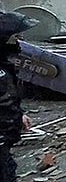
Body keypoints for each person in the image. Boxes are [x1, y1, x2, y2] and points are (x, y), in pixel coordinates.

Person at [0, 10, 36, 182]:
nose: (19, 42)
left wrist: (19, 114)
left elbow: (7, 97)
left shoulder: (5, 65)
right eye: (15, 37)